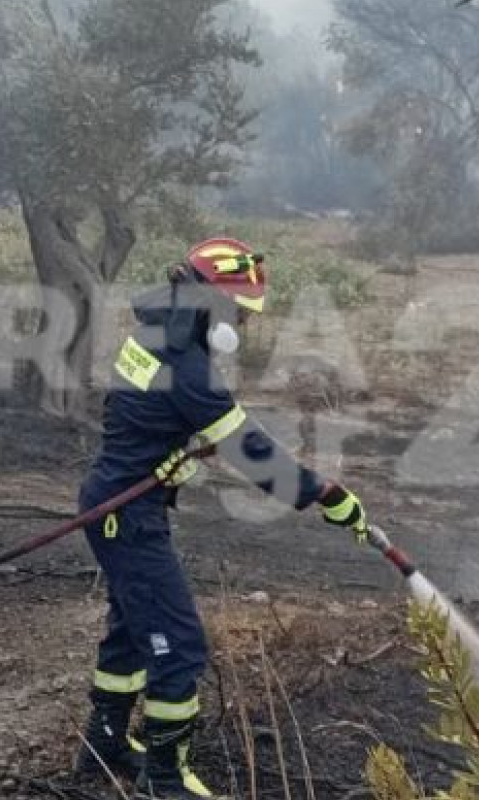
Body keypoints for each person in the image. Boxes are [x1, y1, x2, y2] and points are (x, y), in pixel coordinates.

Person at [74, 238, 370, 800]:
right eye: (236, 311)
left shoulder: (155, 334)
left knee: (134, 625)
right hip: (126, 514)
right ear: (210, 301)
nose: (240, 323)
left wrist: (166, 443)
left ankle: (104, 741)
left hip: (116, 502)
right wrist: (325, 493)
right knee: (179, 643)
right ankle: (164, 778)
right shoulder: (188, 367)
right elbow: (253, 456)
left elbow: (127, 406)